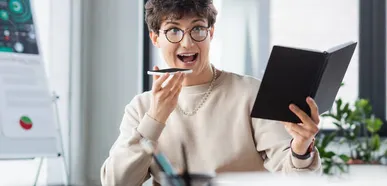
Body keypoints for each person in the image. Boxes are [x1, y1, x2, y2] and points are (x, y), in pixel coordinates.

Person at [100, 0, 322, 185]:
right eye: (173, 30)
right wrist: (155, 118)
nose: (187, 43)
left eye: (197, 29)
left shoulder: (250, 93)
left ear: (211, 33)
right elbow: (116, 182)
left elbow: (295, 179)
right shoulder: (141, 107)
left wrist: (301, 149)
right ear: (155, 38)